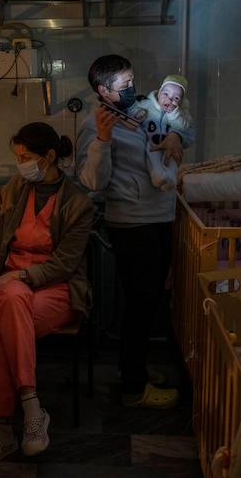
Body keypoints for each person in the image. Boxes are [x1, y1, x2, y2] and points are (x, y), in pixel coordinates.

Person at [0, 122, 95, 468]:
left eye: (28, 157)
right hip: (15, 293)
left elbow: (63, 264)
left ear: (50, 157)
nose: (22, 164)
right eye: (18, 157)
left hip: (57, 291)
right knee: (5, 310)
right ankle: (31, 408)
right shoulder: (18, 188)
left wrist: (14, 276)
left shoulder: (78, 204)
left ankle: (1, 431)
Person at [76, 54, 195, 410]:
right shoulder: (91, 125)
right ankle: (133, 386)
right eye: (124, 86)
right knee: (142, 302)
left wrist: (175, 134)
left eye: (131, 82)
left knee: (150, 298)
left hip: (159, 215)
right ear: (103, 91)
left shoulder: (141, 109)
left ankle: (133, 368)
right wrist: (102, 138)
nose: (132, 89)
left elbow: (169, 128)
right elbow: (92, 182)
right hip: (131, 222)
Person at [138, 74, 194, 191]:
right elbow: (135, 111)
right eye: (166, 94)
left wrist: (174, 114)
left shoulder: (180, 113)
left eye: (176, 98)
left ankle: (170, 180)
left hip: (169, 148)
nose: (169, 99)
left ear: (182, 102)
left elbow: (184, 126)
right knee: (152, 158)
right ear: (158, 94)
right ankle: (157, 176)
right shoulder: (147, 105)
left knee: (171, 161)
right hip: (151, 145)